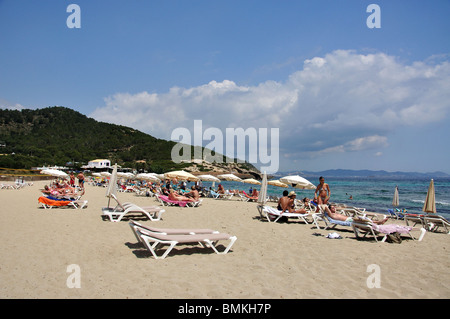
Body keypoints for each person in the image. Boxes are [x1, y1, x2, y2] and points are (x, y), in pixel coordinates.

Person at [321, 204, 388, 225]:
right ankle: (378, 222)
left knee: (363, 220)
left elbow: (339, 208)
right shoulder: (331, 215)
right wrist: (326, 208)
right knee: (363, 221)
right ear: (329, 209)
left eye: (334, 207)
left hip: (350, 218)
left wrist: (335, 207)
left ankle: (377, 222)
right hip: (349, 221)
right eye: (332, 207)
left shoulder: (335, 213)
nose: (334, 208)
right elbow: (325, 207)